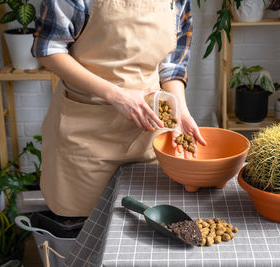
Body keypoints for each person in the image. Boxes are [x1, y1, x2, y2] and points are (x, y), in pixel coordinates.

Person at [32, 0, 206, 217]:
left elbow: (171, 65)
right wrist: (116, 95)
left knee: (142, 223)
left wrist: (179, 110)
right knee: (84, 228)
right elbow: (48, 49)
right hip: (86, 135)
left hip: (149, 133)